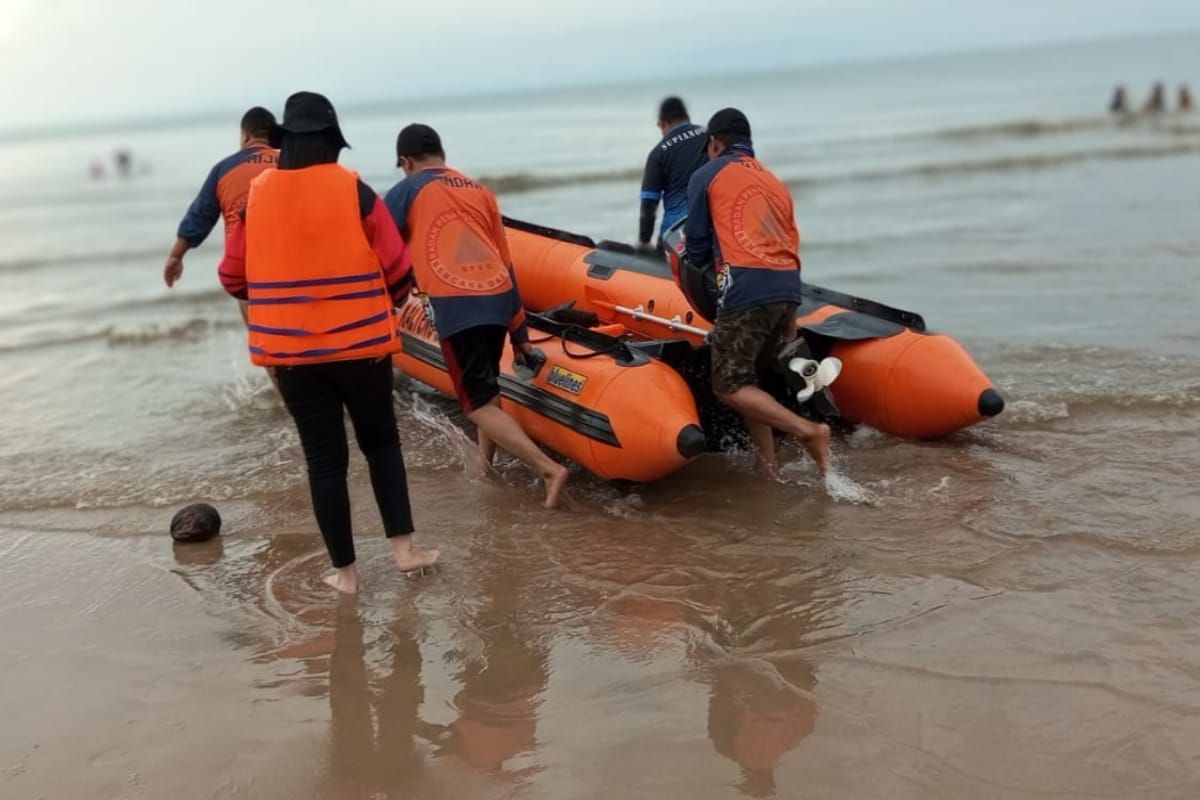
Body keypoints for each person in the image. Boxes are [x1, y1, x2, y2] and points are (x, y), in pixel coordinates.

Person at [219, 91, 436, 594]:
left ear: (286, 142)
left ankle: (345, 575)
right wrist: (392, 296)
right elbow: (398, 266)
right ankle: (404, 552)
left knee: (324, 462)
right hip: (362, 347)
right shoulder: (354, 190)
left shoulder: (256, 197)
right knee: (381, 445)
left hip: (292, 357)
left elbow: (232, 276)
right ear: (332, 142)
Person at [384, 123, 569, 509]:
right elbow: (507, 262)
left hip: (457, 302)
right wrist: (519, 334)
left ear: (405, 161)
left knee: (475, 403)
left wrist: (394, 294)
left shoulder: (407, 189)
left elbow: (380, 244)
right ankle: (485, 466)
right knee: (487, 389)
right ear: (441, 153)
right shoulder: (479, 191)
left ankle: (548, 469)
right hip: (498, 295)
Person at [684, 108, 830, 479]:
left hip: (747, 287)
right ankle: (768, 467)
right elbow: (790, 242)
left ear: (714, 143)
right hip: (787, 288)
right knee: (749, 382)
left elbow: (697, 248)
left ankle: (809, 432)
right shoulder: (773, 180)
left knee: (728, 385)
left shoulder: (706, 174)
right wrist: (790, 317)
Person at [164, 107, 279, 298]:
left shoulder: (223, 169)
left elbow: (199, 216)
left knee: (251, 304)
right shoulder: (289, 163)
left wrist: (176, 256)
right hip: (285, 260)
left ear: (245, 136)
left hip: (242, 269)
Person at [638, 96, 708, 252]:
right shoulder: (713, 137)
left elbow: (649, 204)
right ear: (688, 117)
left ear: (663, 122)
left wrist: (644, 241)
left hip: (677, 237)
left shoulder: (658, 153)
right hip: (715, 227)